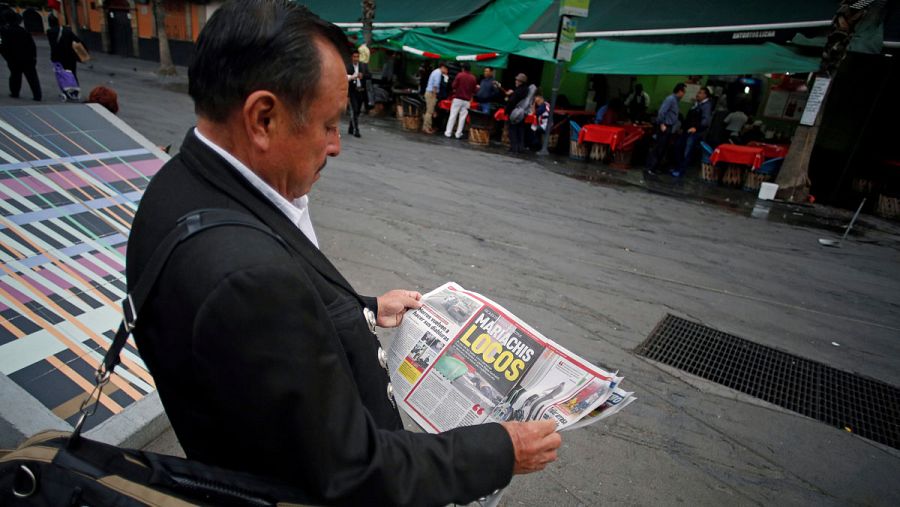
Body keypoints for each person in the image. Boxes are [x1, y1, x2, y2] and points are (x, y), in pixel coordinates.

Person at [126, 2, 561, 505]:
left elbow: (266, 341)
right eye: (328, 124)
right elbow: (353, 468)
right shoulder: (247, 277)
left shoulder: (178, 184)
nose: (336, 146)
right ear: (263, 118)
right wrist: (501, 450)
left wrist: (366, 308)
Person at [0, 10, 41, 101]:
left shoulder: (4, 31)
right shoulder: (23, 31)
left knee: (15, 75)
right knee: (32, 77)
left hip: (13, 58)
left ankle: (15, 92)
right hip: (27, 58)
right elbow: (32, 45)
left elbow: (2, 45)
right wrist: (34, 57)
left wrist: (6, 56)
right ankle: (37, 95)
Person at [672, 86, 712, 177]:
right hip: (687, 130)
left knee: (687, 151)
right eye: (698, 92)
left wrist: (696, 128)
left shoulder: (706, 106)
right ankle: (677, 167)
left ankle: (681, 170)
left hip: (694, 133)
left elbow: (705, 121)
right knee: (679, 147)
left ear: (705, 95)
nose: (698, 94)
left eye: (700, 93)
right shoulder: (697, 104)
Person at [646, 82, 686, 174]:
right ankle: (651, 167)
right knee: (659, 147)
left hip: (669, 127)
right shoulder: (670, 99)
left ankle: (655, 167)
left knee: (663, 148)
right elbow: (661, 112)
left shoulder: (675, 100)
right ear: (680, 91)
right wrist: (661, 123)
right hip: (665, 126)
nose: (684, 95)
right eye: (684, 92)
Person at [504, 73, 536, 154]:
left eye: (517, 80)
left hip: (515, 113)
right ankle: (520, 148)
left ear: (520, 82)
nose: (516, 81)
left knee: (512, 131)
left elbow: (512, 102)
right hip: (523, 113)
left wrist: (506, 110)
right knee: (520, 131)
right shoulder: (526, 90)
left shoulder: (518, 91)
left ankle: (514, 148)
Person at [46, 12, 82, 82]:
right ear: (57, 22)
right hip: (70, 56)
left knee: (63, 75)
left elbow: (53, 46)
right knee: (73, 74)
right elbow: (77, 40)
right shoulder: (67, 30)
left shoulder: (49, 32)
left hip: (58, 58)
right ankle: (75, 87)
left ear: (50, 23)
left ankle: (67, 87)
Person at [444, 62, 476, 139]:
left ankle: (448, 132)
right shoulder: (473, 78)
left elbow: (453, 85)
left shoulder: (460, 75)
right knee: (462, 118)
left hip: (458, 98)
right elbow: (474, 90)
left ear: (463, 68)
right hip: (467, 101)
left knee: (453, 115)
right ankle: (458, 134)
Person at [345, 48, 369, 138]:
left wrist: (363, 75)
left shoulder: (363, 66)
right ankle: (356, 130)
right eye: (354, 57)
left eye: (357, 57)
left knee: (357, 111)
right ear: (352, 57)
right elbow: (345, 80)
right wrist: (347, 95)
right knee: (354, 110)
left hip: (361, 91)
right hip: (352, 91)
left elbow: (369, 75)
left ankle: (351, 127)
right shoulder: (348, 67)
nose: (356, 59)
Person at [422, 62, 447, 134]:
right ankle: (426, 128)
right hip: (431, 93)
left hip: (429, 92)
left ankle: (426, 127)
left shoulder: (436, 72)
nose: (446, 71)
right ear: (443, 67)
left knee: (429, 111)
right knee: (429, 112)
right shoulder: (438, 73)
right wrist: (434, 96)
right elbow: (435, 86)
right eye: (446, 69)